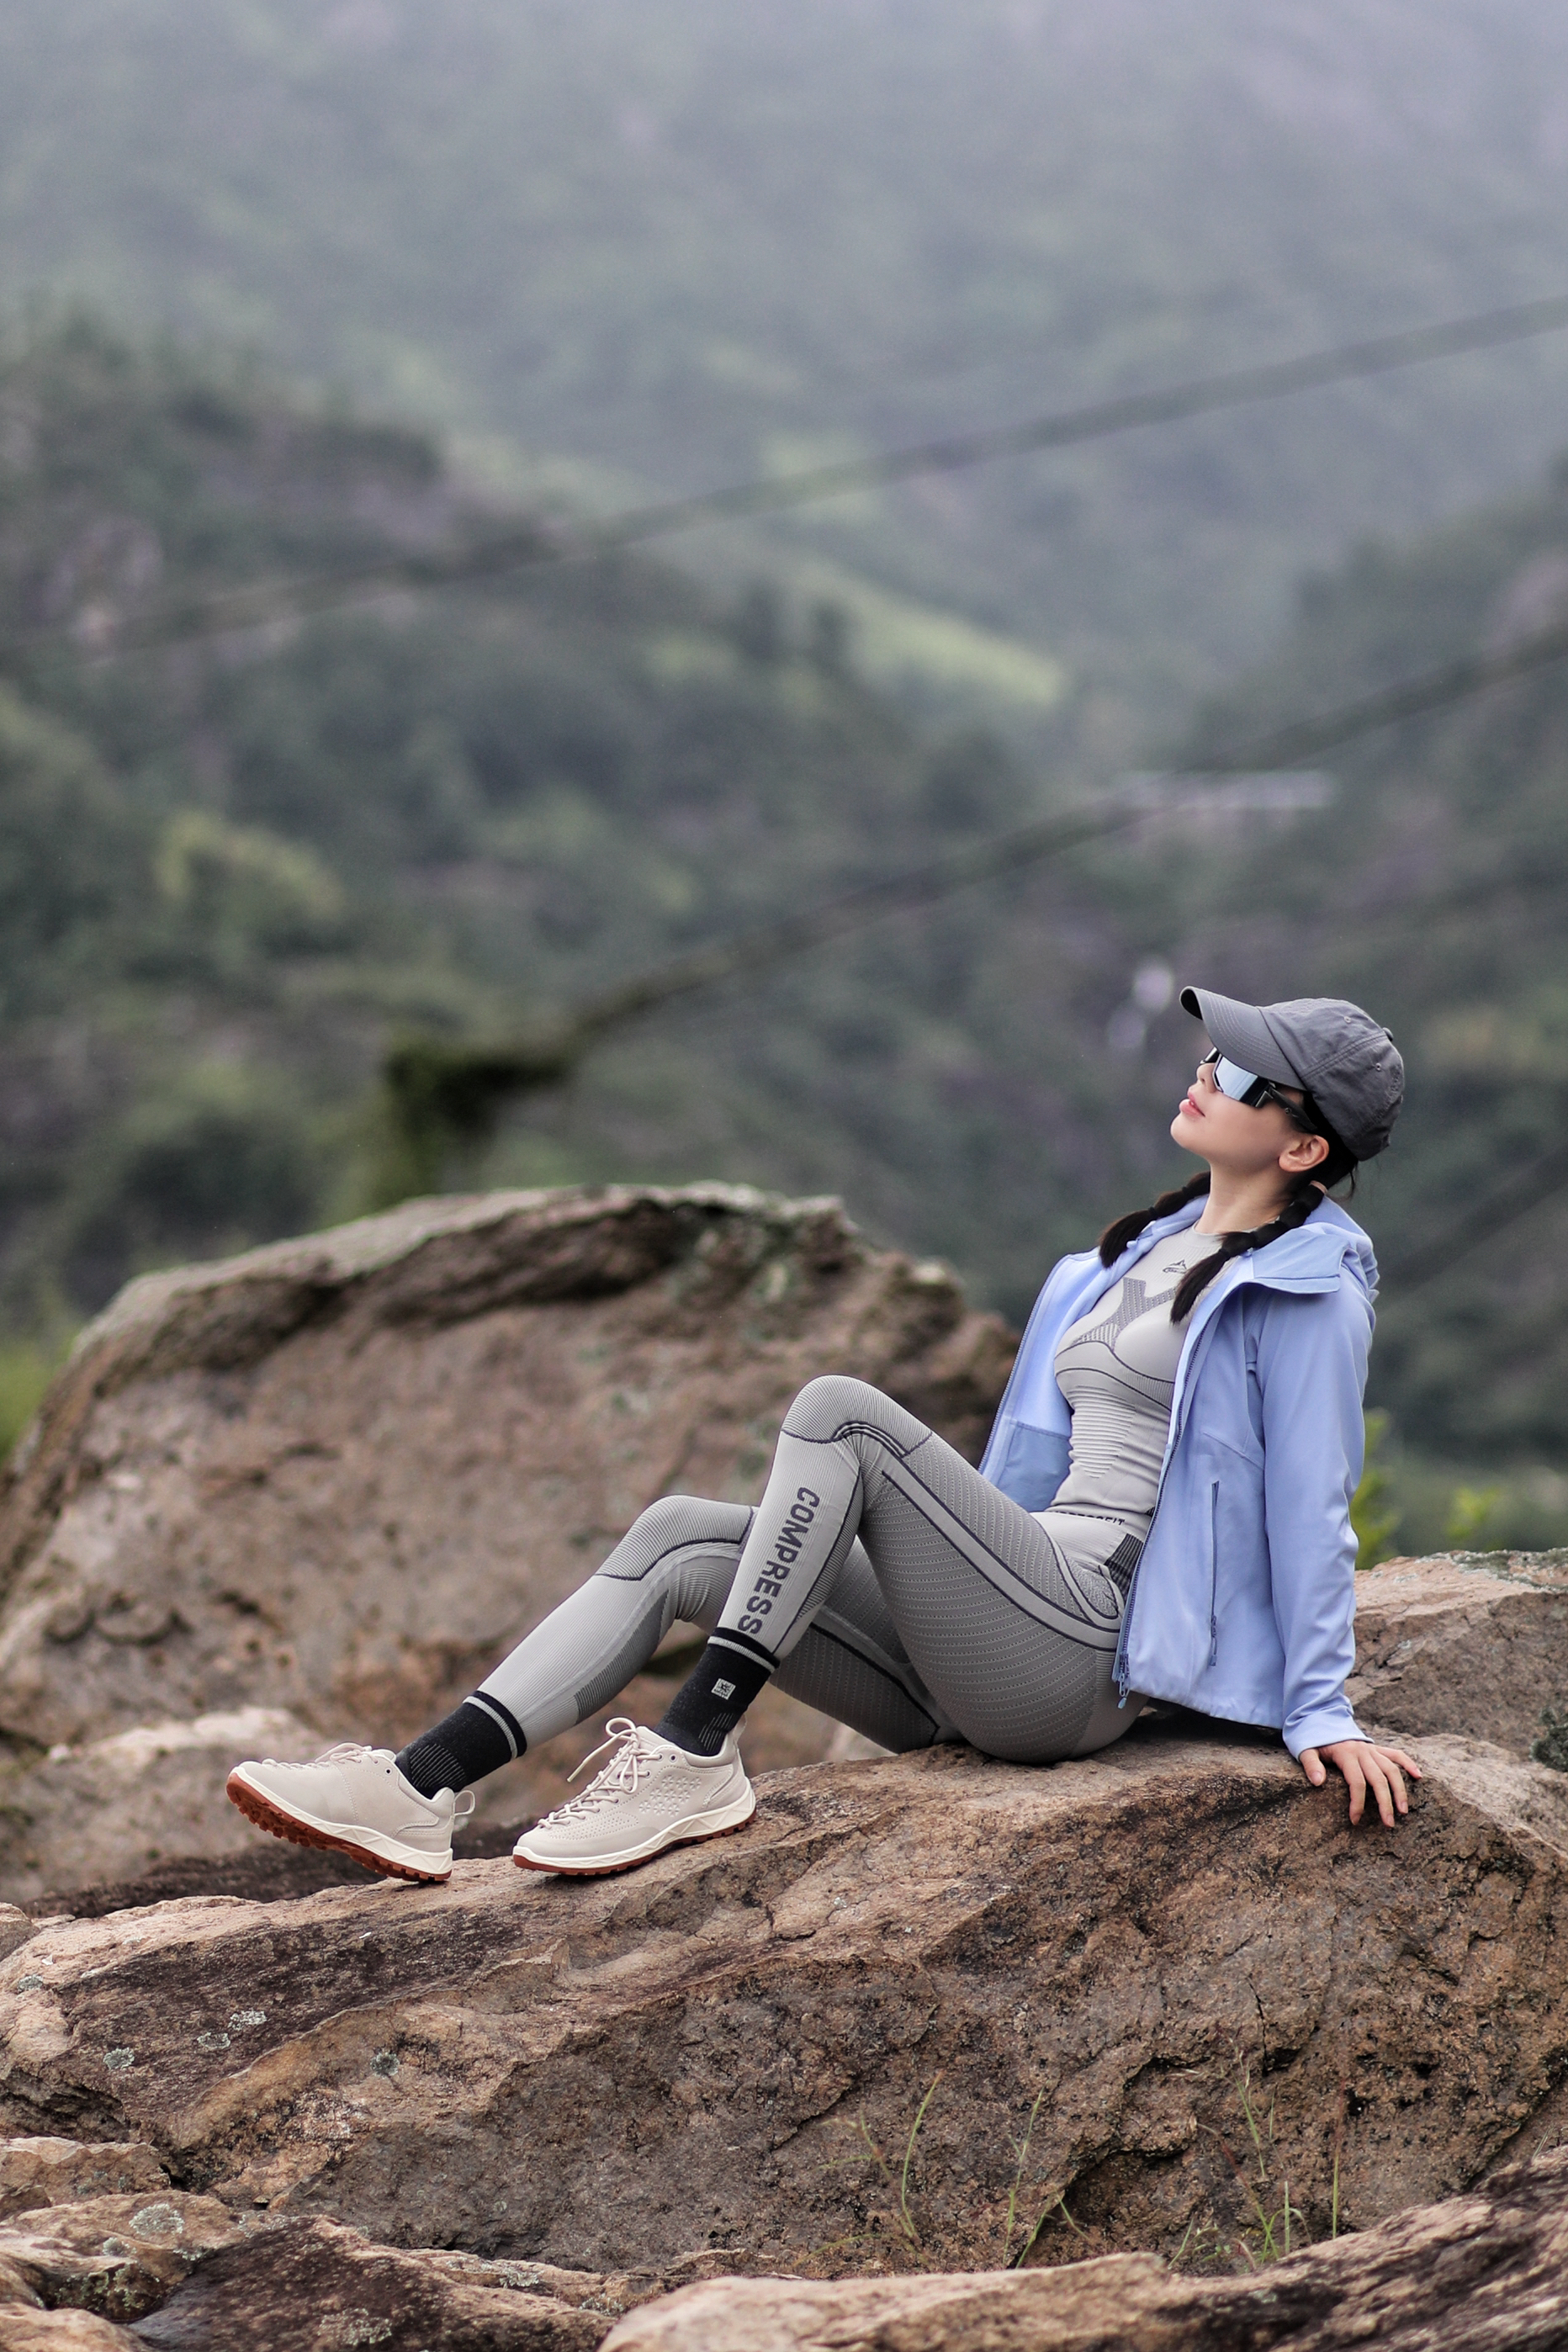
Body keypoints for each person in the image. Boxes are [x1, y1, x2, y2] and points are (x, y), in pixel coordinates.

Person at [227, 985, 1420, 1884]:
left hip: (1082, 1649)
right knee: (683, 1537)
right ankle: (421, 1786)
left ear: (1303, 1147)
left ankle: (696, 1748)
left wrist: (1321, 1709)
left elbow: (1314, 1499)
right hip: (995, 1633)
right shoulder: (1128, 1258)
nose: (1206, 1072)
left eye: (1243, 1075)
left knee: (842, 1412)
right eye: (1211, 1053)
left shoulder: (1308, 1291)